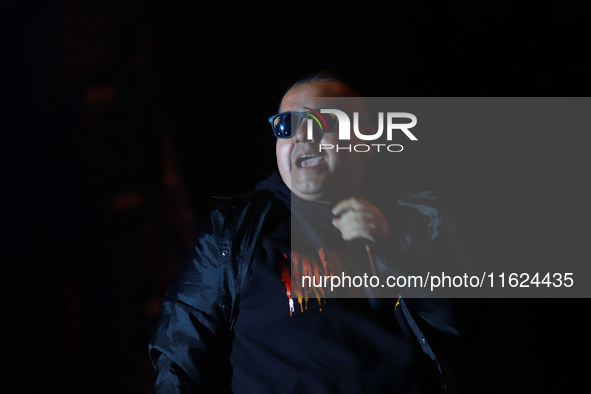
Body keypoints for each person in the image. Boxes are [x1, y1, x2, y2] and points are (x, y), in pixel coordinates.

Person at [149, 73, 470, 393]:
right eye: (287, 125)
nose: (303, 136)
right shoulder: (236, 229)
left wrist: (392, 244)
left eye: (324, 120)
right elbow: (181, 351)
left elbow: (467, 320)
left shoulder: (417, 218)